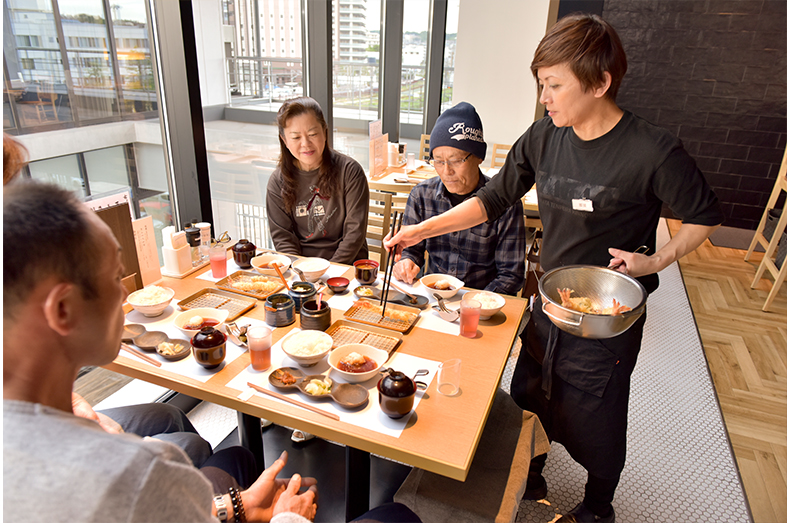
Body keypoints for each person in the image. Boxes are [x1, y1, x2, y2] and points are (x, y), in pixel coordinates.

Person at [385, 13, 723, 523]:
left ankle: (598, 505)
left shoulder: (653, 151)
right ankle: (533, 472)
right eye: (541, 83)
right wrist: (420, 231)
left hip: (608, 313)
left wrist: (655, 259)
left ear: (600, 82)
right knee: (530, 394)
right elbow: (493, 199)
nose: (544, 96)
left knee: (599, 414)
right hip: (550, 301)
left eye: (554, 84)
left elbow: (703, 217)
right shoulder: (544, 137)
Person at [4, 180, 319, 522]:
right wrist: (289, 518)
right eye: (115, 278)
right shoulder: (139, 474)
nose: (125, 295)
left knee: (238, 457)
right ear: (63, 309)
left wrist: (235, 508)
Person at [393, 102, 525, 296]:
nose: (447, 171)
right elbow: (413, 250)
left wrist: (475, 303)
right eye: (438, 161)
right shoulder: (421, 195)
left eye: (456, 160)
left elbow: (511, 275)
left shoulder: (506, 204)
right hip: (434, 299)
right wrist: (407, 262)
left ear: (479, 157)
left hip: (482, 302)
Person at [267, 96, 369, 264]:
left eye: (313, 134)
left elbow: (354, 234)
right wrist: (302, 271)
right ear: (284, 140)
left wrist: (329, 273)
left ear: (325, 132)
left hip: (346, 268)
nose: (306, 144)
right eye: (295, 137)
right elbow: (283, 238)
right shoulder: (278, 181)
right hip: (302, 271)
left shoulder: (350, 172)